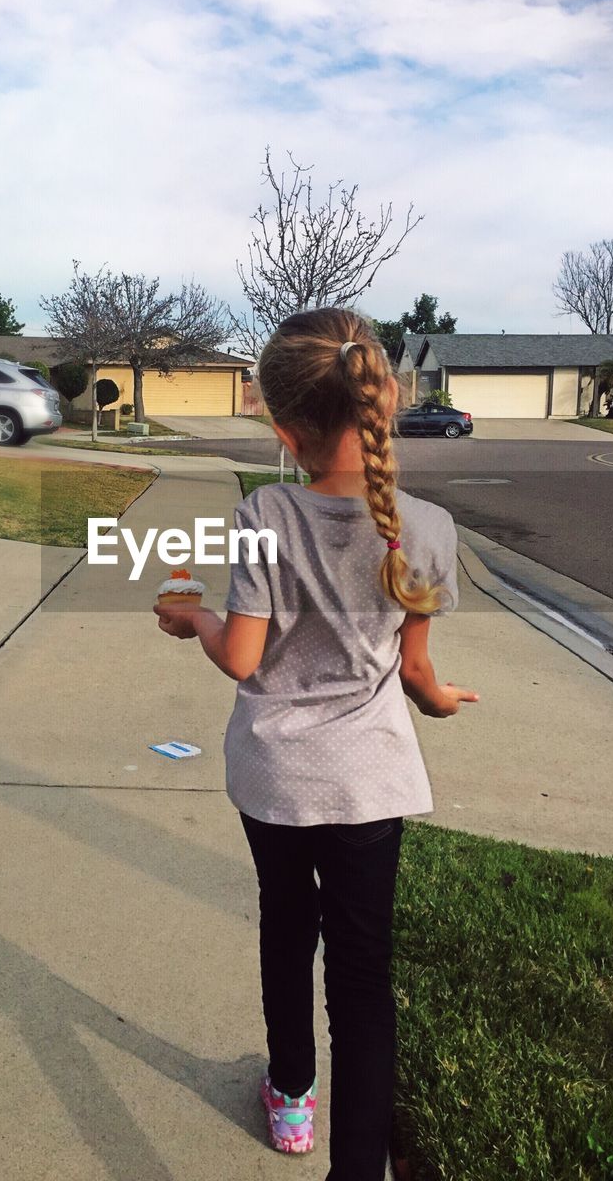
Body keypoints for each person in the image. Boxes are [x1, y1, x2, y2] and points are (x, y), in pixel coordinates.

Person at [153, 308, 478, 1181]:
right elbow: (416, 672)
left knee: (287, 932)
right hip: (371, 786)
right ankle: (355, 1169)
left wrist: (198, 620)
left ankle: (292, 1095)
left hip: (276, 783)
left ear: (284, 429)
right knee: (365, 983)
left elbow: (244, 658)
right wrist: (441, 702)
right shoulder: (430, 529)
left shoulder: (264, 513)